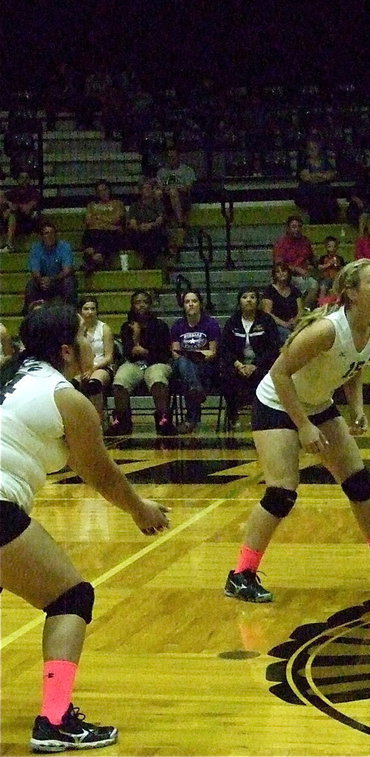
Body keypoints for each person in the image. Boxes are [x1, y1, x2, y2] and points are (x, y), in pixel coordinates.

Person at [0, 304, 170, 752]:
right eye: (81, 336)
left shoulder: (7, 377)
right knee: (71, 596)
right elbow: (99, 472)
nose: (88, 343)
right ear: (65, 350)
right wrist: (140, 509)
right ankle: (55, 721)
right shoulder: (65, 397)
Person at [223, 259, 370, 603]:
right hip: (276, 404)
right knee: (281, 492)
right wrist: (303, 426)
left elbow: (355, 366)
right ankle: (241, 574)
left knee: (359, 482)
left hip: (317, 403)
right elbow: (281, 374)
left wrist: (356, 408)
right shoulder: (326, 330)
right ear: (352, 294)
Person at [109, 290, 175, 436]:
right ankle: (123, 419)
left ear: (150, 305)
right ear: (132, 306)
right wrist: (136, 337)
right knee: (120, 380)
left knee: (157, 379)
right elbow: (129, 353)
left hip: (157, 363)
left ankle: (163, 418)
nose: (141, 305)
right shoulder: (127, 327)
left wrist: (144, 352)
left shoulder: (160, 326)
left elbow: (163, 353)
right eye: (138, 302)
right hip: (134, 364)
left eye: (145, 302)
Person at [218, 287, 281, 430]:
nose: (248, 300)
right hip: (238, 365)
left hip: (261, 365)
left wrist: (255, 365)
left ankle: (261, 416)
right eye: (245, 297)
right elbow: (224, 348)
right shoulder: (232, 322)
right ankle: (233, 413)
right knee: (227, 377)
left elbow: (273, 347)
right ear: (239, 301)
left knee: (265, 377)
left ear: (257, 301)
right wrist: (238, 364)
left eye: (252, 297)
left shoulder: (266, 320)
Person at [170, 290, 221, 434]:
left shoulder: (211, 324)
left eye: (194, 301)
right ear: (183, 306)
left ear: (200, 304)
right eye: (187, 302)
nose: (191, 304)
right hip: (183, 365)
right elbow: (175, 353)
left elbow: (213, 352)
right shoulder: (177, 326)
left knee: (190, 374)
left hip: (205, 365)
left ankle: (190, 420)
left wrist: (200, 355)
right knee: (184, 363)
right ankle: (196, 390)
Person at [76, 296, 115, 425]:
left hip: (101, 366)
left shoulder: (104, 328)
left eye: (93, 309)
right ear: (80, 311)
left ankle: (98, 422)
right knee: (71, 384)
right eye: (86, 309)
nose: (90, 312)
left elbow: (109, 357)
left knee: (94, 383)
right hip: (80, 367)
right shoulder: (75, 330)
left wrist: (93, 369)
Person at [24, 221, 78, 312]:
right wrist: (42, 281)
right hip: (43, 281)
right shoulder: (36, 248)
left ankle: (71, 313)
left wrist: (51, 279)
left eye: (52, 233)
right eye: (46, 233)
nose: (50, 236)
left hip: (60, 280)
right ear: (41, 236)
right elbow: (35, 271)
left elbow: (67, 270)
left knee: (69, 282)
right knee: (31, 285)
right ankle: (30, 315)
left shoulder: (64, 246)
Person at [272, 215, 319, 309]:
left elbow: (312, 260)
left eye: (299, 227)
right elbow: (279, 264)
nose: (296, 229)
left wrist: (312, 263)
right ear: (288, 228)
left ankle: (305, 310)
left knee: (315, 284)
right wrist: (296, 269)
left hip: (304, 275)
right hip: (288, 275)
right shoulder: (281, 243)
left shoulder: (305, 241)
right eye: (293, 227)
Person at [82, 180, 126, 273]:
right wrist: (109, 224)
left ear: (109, 190)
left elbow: (116, 219)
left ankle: (93, 260)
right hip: (94, 233)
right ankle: (96, 258)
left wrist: (98, 218)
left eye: (105, 189)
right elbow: (89, 221)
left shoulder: (117, 204)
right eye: (100, 191)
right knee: (90, 233)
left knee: (106, 235)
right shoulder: (92, 205)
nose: (103, 193)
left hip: (112, 235)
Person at [295, 137, 339, 224]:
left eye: (315, 148)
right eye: (310, 148)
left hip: (324, 190)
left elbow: (330, 175)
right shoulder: (304, 162)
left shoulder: (325, 161)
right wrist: (321, 176)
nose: (312, 150)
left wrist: (316, 175)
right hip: (309, 192)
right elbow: (306, 177)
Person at [126, 178, 166, 269]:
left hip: (154, 230)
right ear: (140, 190)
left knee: (155, 235)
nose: (147, 190)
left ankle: (148, 263)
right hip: (140, 231)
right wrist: (139, 227)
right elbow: (132, 221)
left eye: (149, 188)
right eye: (144, 188)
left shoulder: (158, 204)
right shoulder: (135, 206)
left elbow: (160, 219)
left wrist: (150, 225)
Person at [262, 262, 304, 344]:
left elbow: (301, 310)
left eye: (284, 271)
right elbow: (267, 313)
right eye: (278, 272)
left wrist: (295, 321)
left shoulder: (295, 290)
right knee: (287, 335)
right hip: (276, 324)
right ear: (274, 275)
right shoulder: (269, 291)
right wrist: (284, 324)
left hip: (294, 323)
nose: (281, 274)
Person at [2, 171, 41, 252]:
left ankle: (9, 244)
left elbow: (27, 208)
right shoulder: (14, 191)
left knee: (12, 214)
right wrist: (9, 203)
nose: (24, 180)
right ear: (18, 180)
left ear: (29, 180)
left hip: (28, 219)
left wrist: (15, 207)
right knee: (8, 213)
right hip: (15, 217)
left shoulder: (34, 192)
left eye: (26, 178)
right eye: (21, 178)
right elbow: (2, 198)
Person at [155, 147, 196, 226]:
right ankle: (159, 220)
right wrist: (164, 190)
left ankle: (180, 222)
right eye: (169, 157)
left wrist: (175, 188)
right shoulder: (161, 172)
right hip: (166, 195)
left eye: (174, 157)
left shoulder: (187, 170)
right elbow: (159, 186)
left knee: (173, 192)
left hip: (182, 197)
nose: (172, 159)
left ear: (178, 157)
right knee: (157, 193)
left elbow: (188, 188)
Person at [316, 236, 346, 302]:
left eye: (334, 246)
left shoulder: (339, 258)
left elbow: (344, 269)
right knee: (323, 287)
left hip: (336, 278)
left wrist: (338, 265)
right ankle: (321, 304)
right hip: (326, 278)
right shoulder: (323, 258)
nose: (332, 249)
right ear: (326, 247)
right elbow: (319, 267)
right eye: (330, 247)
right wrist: (328, 264)